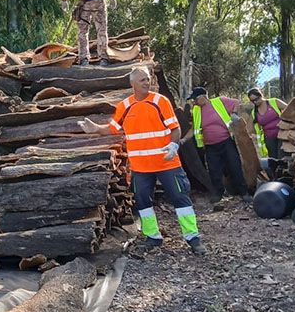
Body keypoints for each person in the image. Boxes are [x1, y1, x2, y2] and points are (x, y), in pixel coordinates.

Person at [78, 66, 205, 254]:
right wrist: (95, 128)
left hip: (166, 163)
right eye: (142, 80)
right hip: (140, 168)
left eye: (147, 79)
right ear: (133, 84)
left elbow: (175, 128)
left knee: (180, 198)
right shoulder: (125, 106)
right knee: (143, 202)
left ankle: (193, 238)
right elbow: (112, 128)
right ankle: (153, 237)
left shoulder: (160, 101)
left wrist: (173, 145)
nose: (147, 82)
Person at [180, 87, 250, 203]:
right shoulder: (197, 110)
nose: (194, 102)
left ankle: (244, 192)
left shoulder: (219, 101)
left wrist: (233, 114)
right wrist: (183, 139)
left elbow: (237, 102)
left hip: (226, 141)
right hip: (210, 146)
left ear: (203, 97)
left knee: (235, 166)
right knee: (214, 170)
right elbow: (194, 129)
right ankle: (218, 194)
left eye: (195, 99)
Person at [247, 87, 287, 178]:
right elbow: (248, 128)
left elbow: (289, 109)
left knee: (282, 157)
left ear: (261, 95)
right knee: (273, 158)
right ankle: (276, 178)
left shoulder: (273, 102)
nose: (255, 102)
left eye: (256, 99)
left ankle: (286, 177)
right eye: (252, 101)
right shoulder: (254, 112)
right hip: (269, 138)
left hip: (282, 134)